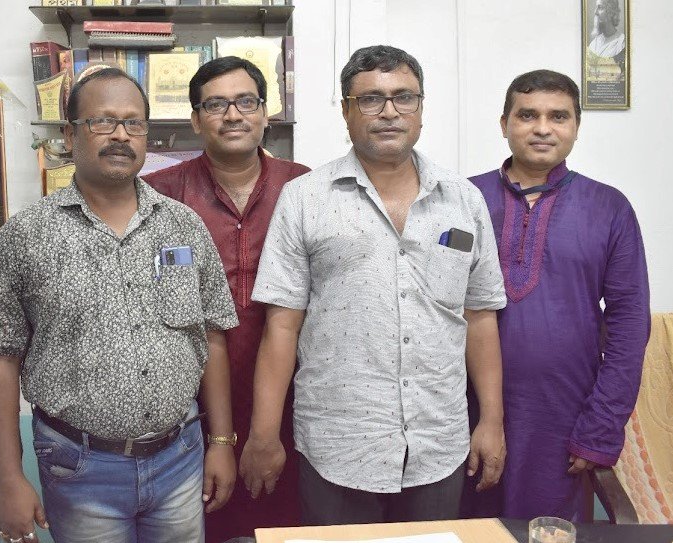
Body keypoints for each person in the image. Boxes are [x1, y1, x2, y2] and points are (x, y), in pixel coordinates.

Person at [0, 67, 239, 543]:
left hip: (180, 459)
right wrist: (8, 478)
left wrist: (221, 441)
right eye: (103, 121)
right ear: (70, 135)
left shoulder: (183, 226)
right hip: (80, 468)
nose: (121, 135)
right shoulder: (26, 236)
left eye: (134, 123)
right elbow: (0, 359)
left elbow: (210, 335)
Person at [238, 45, 508, 525]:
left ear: (420, 108)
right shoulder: (304, 199)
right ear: (346, 111)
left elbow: (480, 316)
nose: (389, 111)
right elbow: (281, 326)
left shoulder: (463, 201)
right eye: (370, 99)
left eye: (404, 97)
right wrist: (263, 435)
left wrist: (491, 420)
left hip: (438, 441)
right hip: (338, 444)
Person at [461, 69, 650, 520]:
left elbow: (629, 325)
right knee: (466, 527)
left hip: (561, 418)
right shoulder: (463, 199)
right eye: (527, 115)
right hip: (461, 410)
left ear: (576, 127)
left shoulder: (609, 208)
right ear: (504, 123)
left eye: (558, 116)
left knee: (547, 530)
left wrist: (600, 428)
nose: (542, 128)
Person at [144, 56, 310, 541]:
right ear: (196, 120)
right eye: (216, 104)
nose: (233, 115)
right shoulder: (157, 196)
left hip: (295, 399)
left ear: (265, 113)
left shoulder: (305, 187)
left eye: (246, 102)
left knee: (285, 527)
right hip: (189, 408)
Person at [587, 0, 625, 80]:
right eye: (596, 8)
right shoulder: (594, 43)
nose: (595, 12)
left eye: (600, 8)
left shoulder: (621, 42)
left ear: (611, 12)